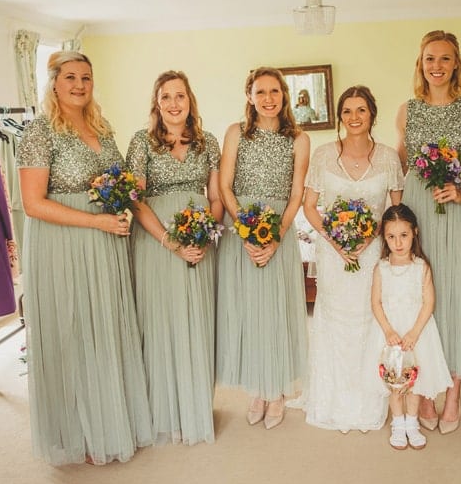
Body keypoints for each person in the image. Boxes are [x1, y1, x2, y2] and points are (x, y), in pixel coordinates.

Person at [17, 50, 152, 465]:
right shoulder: (40, 131)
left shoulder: (101, 126)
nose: (79, 85)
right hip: (64, 245)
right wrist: (97, 223)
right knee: (74, 331)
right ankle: (82, 433)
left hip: (107, 241)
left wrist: (126, 197)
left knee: (106, 328)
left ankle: (112, 421)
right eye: (70, 77)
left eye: (86, 78)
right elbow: (33, 204)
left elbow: (120, 179)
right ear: (54, 82)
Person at [395, 30, 461, 434]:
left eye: (445, 59)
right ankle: (425, 391)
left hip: (458, 211)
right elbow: (402, 165)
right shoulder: (407, 110)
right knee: (420, 297)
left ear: (456, 65)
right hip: (420, 208)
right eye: (430, 59)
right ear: (421, 63)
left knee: (456, 296)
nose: (437, 66)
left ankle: (453, 393)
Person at [298, 85, 403, 433]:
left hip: (371, 253)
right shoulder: (324, 154)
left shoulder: (388, 156)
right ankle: (333, 400)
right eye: (347, 111)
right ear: (340, 116)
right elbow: (309, 206)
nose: (354, 117)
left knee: (368, 320)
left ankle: (367, 401)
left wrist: (369, 238)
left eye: (361, 110)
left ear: (372, 114)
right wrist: (335, 240)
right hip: (332, 253)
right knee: (335, 322)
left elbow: (394, 210)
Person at [126, 70, 222, 446]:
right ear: (157, 102)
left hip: (200, 239)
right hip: (156, 242)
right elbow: (136, 198)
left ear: (190, 100)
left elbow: (214, 198)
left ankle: (196, 410)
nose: (174, 103)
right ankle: (165, 415)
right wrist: (170, 241)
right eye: (166, 97)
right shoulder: (142, 142)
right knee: (162, 321)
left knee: (197, 322)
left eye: (180, 96)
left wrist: (205, 236)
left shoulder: (207, 142)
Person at [216, 66, 310, 430]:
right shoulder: (236, 133)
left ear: (284, 96)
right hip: (241, 229)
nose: (268, 98)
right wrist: (245, 231)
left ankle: (277, 392)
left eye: (275, 91)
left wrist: (275, 237)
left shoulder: (299, 139)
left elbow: (297, 193)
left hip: (278, 231)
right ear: (250, 96)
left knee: (276, 312)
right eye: (261, 92)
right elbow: (225, 186)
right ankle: (258, 388)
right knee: (250, 312)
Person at [370, 204, 453, 450]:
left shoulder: (421, 267)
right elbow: (375, 302)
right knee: (394, 380)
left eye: (403, 235)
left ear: (414, 233)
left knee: (414, 380)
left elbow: (429, 302)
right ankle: (397, 423)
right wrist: (388, 331)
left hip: (417, 333)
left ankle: (412, 423)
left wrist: (415, 332)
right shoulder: (381, 268)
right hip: (391, 334)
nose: (398, 242)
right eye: (391, 237)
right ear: (384, 238)